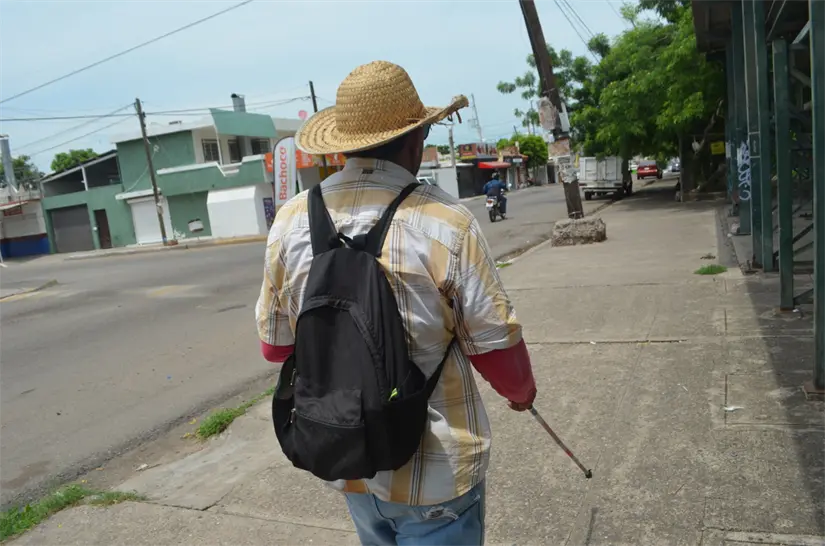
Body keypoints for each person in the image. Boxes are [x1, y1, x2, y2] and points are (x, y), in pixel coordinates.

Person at [256, 61, 536, 546]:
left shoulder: (291, 221)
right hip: (436, 475)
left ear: (342, 143)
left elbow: (277, 349)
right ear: (415, 140)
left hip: (346, 455)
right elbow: (493, 346)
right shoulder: (445, 220)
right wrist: (522, 394)